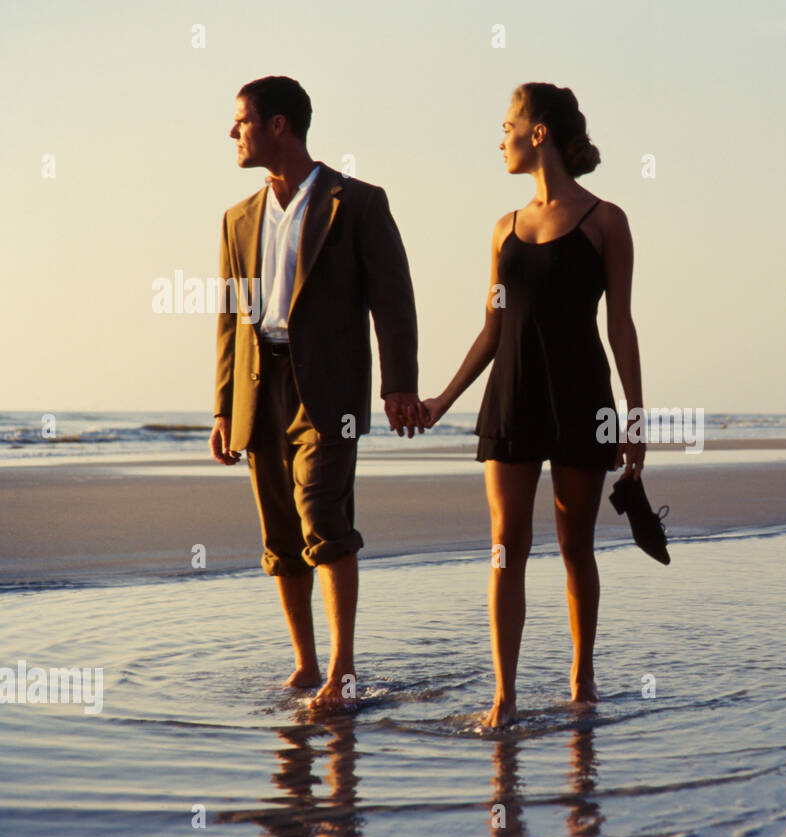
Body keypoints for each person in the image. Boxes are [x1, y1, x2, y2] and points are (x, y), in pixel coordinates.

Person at [420, 83, 646, 728]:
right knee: (504, 545)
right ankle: (505, 696)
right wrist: (441, 400)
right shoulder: (503, 230)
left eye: (508, 125)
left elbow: (621, 327)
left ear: (538, 132)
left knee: (576, 546)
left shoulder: (606, 221)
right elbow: (491, 331)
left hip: (581, 397)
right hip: (511, 398)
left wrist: (634, 416)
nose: (501, 139)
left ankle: (582, 680)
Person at [210, 76, 425, 710]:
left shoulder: (355, 202)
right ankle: (305, 666)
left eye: (242, 120)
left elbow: (394, 301)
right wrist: (224, 407)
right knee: (280, 533)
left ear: (279, 125)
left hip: (329, 389)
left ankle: (343, 670)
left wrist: (399, 386)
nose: (233, 132)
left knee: (324, 519)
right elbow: (229, 318)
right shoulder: (236, 218)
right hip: (258, 387)